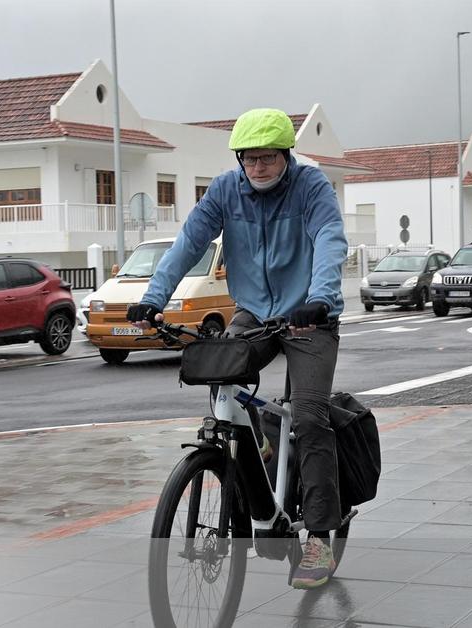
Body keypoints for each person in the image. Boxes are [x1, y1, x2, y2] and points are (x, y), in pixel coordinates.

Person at [126, 108, 348, 589]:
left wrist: (321, 299)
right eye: (249, 158)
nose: (259, 167)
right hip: (254, 314)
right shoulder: (226, 190)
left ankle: (320, 536)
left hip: (310, 315)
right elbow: (189, 243)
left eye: (268, 157)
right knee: (220, 380)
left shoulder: (311, 186)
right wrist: (151, 299)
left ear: (285, 156)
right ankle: (261, 446)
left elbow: (330, 239)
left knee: (310, 417)